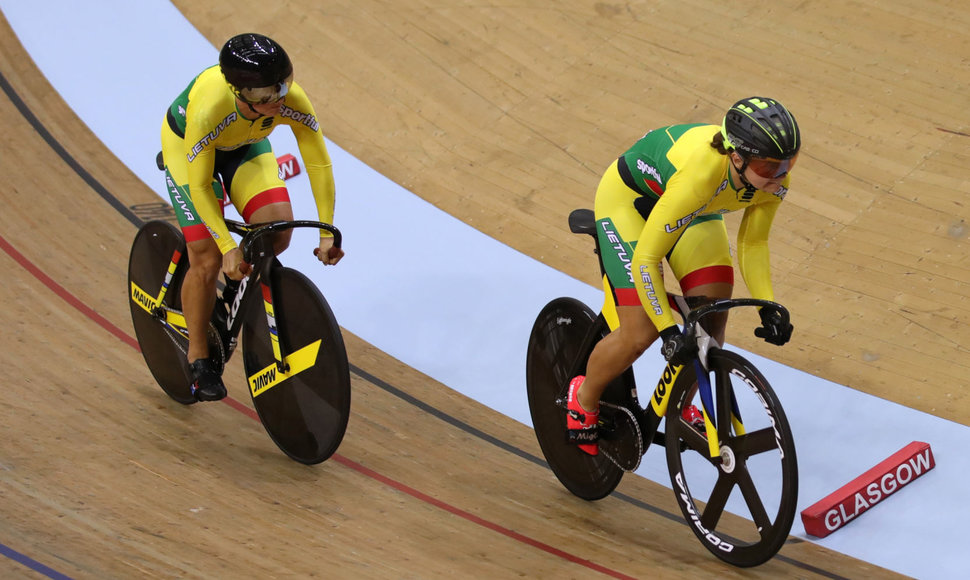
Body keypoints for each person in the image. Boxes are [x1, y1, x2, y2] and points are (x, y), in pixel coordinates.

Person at [567, 96, 797, 455]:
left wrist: (767, 306)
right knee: (639, 331)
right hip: (631, 204)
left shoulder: (771, 180)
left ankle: (682, 402)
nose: (782, 174)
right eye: (770, 167)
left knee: (713, 312)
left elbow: (753, 242)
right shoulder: (701, 175)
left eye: (788, 162)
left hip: (693, 211)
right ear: (737, 157)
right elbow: (646, 260)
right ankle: (583, 400)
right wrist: (667, 330)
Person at [160, 33, 344, 402]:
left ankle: (230, 296)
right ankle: (198, 357)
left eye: (282, 86)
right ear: (240, 92)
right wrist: (227, 246)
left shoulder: (288, 100)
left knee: (276, 232)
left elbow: (318, 161)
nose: (278, 99)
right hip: (188, 152)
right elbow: (200, 188)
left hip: (243, 145)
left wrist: (327, 231)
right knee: (207, 256)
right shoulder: (209, 108)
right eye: (265, 96)